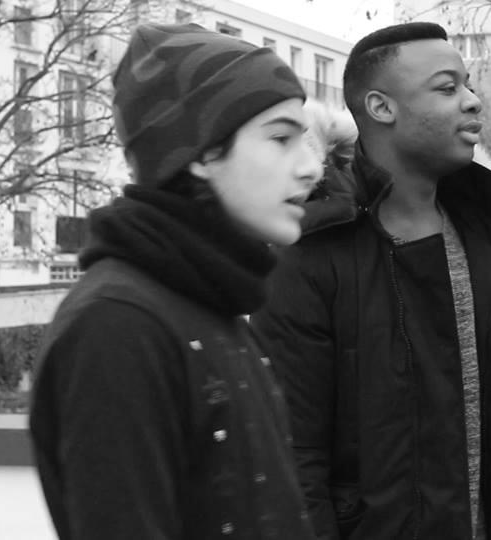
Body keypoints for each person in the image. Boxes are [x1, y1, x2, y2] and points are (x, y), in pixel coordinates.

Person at [252, 22, 491, 540]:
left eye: (469, 85)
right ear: (381, 107)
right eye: (447, 87)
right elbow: (293, 464)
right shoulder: (309, 258)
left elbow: (482, 423)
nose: (472, 101)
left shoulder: (488, 241)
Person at [29, 23, 322, 539]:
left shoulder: (214, 301)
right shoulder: (116, 327)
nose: (311, 167)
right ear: (202, 152)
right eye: (281, 138)